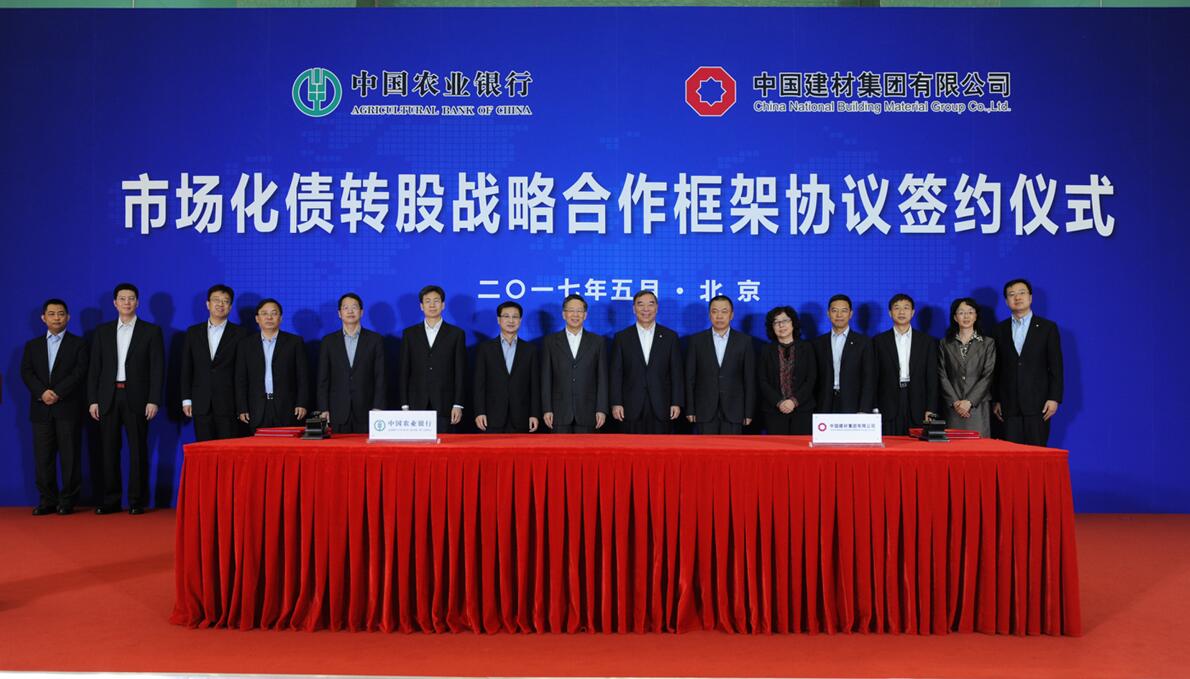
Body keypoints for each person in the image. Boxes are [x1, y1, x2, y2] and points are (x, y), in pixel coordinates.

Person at [87, 283, 164, 515]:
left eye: (131, 298)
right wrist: (93, 400)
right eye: (122, 298)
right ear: (115, 303)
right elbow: (94, 369)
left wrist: (153, 399)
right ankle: (110, 500)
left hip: (138, 398)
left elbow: (157, 369)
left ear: (138, 302)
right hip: (108, 397)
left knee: (138, 450)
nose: (127, 302)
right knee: (108, 451)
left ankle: (136, 501)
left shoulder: (151, 331)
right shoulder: (102, 331)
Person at [20, 299, 88, 515]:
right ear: (43, 318)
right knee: (43, 458)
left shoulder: (79, 344)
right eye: (51, 314)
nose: (56, 317)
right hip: (41, 409)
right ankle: (47, 500)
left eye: (61, 313)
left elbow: (79, 372)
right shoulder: (32, 346)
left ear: (68, 317)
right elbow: (26, 372)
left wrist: (58, 392)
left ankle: (67, 501)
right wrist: (42, 392)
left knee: (70, 457)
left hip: (67, 408)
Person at [993, 279, 1063, 446]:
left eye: (1022, 293)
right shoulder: (999, 329)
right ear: (1006, 301)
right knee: (1010, 455)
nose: (1017, 297)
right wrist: (996, 399)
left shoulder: (1047, 328)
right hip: (1008, 406)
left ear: (1030, 297)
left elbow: (1056, 366)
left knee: (1037, 453)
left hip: (1038, 405)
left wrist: (1054, 398)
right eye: (1012, 294)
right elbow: (996, 368)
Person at [609, 290, 684, 434]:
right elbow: (616, 374)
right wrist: (616, 403)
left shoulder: (670, 337)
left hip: (662, 404)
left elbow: (676, 373)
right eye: (640, 304)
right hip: (630, 406)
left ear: (657, 308)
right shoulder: (621, 338)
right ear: (634, 309)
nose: (646, 309)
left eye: (650, 304)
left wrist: (676, 402)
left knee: (660, 446)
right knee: (631, 446)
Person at [180, 284, 245, 441]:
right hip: (200, 403)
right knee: (204, 449)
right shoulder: (193, 332)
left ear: (230, 307)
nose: (220, 304)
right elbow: (187, 368)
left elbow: (242, 372)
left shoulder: (240, 334)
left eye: (225, 301)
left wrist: (242, 405)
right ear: (208, 304)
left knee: (228, 450)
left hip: (228, 404)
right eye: (216, 300)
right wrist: (186, 399)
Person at [399, 285, 466, 432]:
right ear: (421, 306)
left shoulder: (456, 334)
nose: (432, 305)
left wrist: (458, 404)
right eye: (427, 301)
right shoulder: (409, 334)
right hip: (416, 403)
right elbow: (404, 370)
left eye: (436, 301)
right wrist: (404, 404)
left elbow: (460, 372)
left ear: (443, 305)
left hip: (445, 403)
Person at [235, 298, 309, 431]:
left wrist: (302, 403)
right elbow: (241, 379)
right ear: (257, 318)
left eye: (274, 313)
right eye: (264, 313)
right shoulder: (245, 345)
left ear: (280, 318)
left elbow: (303, 376)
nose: (269, 317)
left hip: (287, 408)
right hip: (256, 408)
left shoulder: (294, 342)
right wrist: (242, 407)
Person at [685, 295, 755, 434]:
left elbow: (749, 379)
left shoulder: (744, 341)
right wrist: (690, 409)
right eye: (715, 311)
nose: (719, 316)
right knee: (706, 448)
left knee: (731, 448)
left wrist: (748, 411)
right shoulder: (696, 341)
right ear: (709, 314)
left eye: (724, 311)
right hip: (704, 409)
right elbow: (690, 378)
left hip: (734, 409)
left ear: (732, 315)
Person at [317, 293, 386, 434]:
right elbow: (323, 378)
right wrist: (323, 408)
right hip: (337, 411)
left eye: (354, 307)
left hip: (367, 410)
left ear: (361, 312)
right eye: (345, 308)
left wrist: (378, 406)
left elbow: (380, 376)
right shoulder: (328, 342)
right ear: (339, 313)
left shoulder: (375, 340)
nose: (350, 311)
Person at [872, 293, 938, 435]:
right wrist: (874, 407)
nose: (901, 312)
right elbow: (873, 377)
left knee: (916, 445)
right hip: (888, 403)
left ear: (913, 312)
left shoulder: (927, 342)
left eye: (906, 308)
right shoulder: (878, 341)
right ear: (890, 313)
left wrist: (931, 408)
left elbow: (932, 378)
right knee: (890, 443)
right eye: (897, 308)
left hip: (918, 402)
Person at [541, 294, 608, 433]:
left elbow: (602, 378)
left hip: (588, 411)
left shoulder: (598, 342)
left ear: (585, 315)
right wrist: (547, 409)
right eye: (571, 310)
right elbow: (546, 378)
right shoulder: (550, 342)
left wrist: (601, 409)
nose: (575, 315)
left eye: (579, 311)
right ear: (563, 314)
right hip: (558, 412)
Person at [473, 301, 540, 433]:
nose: (511, 320)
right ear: (498, 320)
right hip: (492, 416)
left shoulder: (530, 350)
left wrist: (534, 414)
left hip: (522, 416)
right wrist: (479, 412)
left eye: (515, 316)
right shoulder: (485, 349)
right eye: (506, 316)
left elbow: (534, 385)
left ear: (520, 320)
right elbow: (479, 384)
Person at [938, 297, 996, 438]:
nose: (966, 316)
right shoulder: (945, 343)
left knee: (979, 447)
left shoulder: (988, 343)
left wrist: (969, 402)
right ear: (955, 317)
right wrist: (955, 402)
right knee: (953, 447)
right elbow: (942, 374)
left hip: (978, 406)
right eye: (961, 312)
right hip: (954, 407)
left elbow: (988, 374)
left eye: (970, 312)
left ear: (976, 316)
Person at [757, 306, 816, 435]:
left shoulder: (807, 348)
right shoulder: (766, 350)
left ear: (793, 323)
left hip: (803, 409)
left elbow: (811, 379)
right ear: (772, 327)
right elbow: (762, 380)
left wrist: (793, 401)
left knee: (800, 446)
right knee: (777, 446)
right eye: (776, 322)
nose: (781, 325)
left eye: (785, 321)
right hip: (774, 410)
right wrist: (779, 402)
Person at [813, 294, 876, 414]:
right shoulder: (817, 343)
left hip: (852, 402)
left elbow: (868, 378)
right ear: (828, 313)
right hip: (824, 403)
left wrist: (864, 409)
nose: (839, 315)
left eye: (844, 311)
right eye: (834, 311)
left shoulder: (863, 342)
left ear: (851, 314)